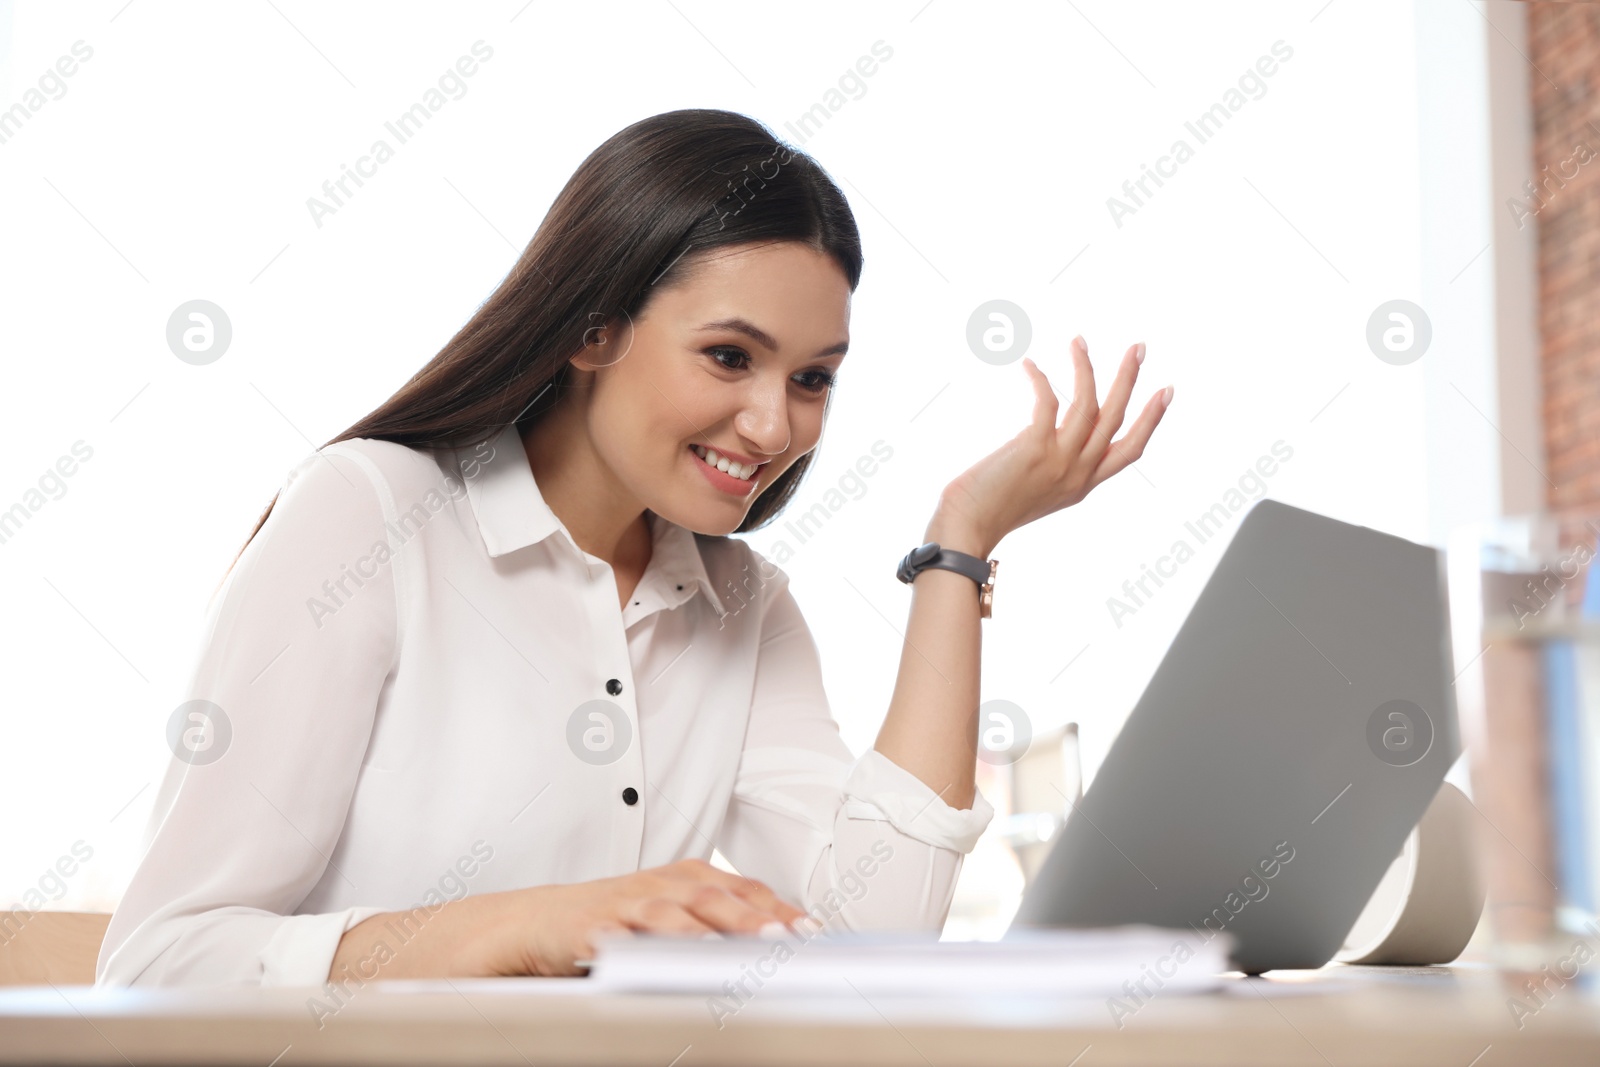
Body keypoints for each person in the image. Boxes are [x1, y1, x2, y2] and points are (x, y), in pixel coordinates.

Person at [95, 108, 1172, 987]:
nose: (772, 424)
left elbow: (873, 931)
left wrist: (959, 545)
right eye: (727, 355)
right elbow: (157, 961)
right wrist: (535, 923)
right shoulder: (369, 513)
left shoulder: (740, 603)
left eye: (811, 377)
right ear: (589, 330)